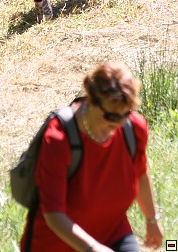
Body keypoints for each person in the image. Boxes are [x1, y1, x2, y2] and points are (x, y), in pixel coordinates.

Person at [20, 61, 163, 252]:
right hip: (55, 244)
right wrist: (94, 248)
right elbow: (53, 214)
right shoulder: (59, 138)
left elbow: (140, 175)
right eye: (112, 117)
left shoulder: (133, 128)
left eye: (126, 113)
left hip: (112, 232)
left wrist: (152, 220)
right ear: (92, 101)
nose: (119, 123)